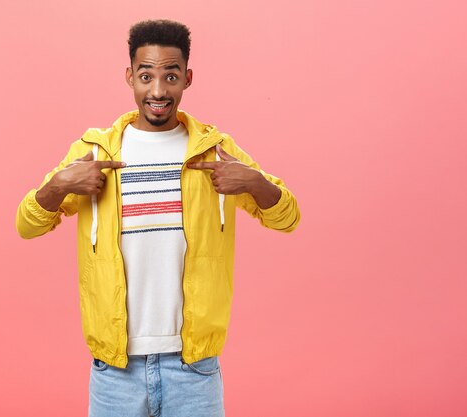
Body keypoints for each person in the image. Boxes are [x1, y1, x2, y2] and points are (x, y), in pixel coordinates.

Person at [16, 19, 300, 417]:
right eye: (146, 76)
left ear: (187, 78)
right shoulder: (95, 151)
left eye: (171, 75)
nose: (158, 90)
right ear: (130, 76)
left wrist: (254, 182)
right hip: (115, 370)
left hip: (194, 368)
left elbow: (287, 217)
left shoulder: (214, 150)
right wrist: (59, 185)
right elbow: (27, 225)